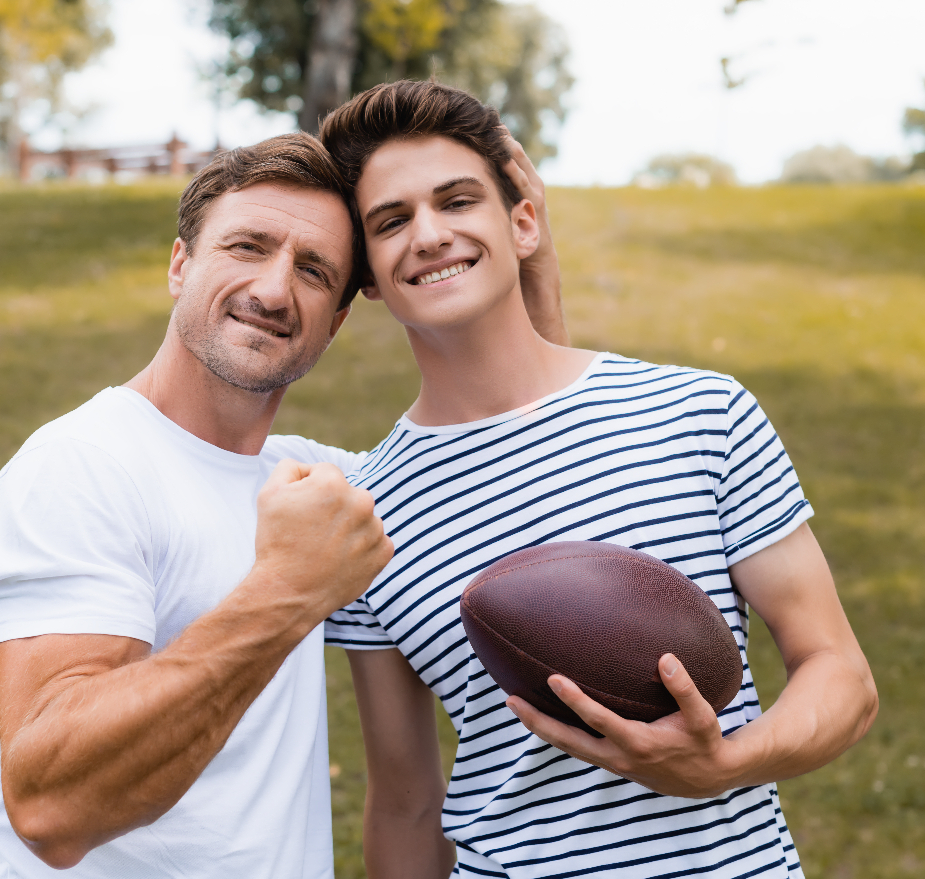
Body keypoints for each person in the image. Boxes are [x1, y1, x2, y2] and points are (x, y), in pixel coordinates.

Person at [0, 132, 564, 877]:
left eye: (312, 270)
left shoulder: (314, 486)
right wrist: (285, 593)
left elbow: (517, 471)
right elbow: (52, 805)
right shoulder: (81, 468)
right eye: (247, 246)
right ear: (181, 264)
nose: (273, 291)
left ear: (335, 322)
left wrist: (535, 272)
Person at [320, 80, 880, 879]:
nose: (431, 235)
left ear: (522, 222)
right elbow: (405, 802)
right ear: (369, 273)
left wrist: (724, 763)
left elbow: (842, 675)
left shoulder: (701, 413)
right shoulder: (361, 515)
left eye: (457, 201)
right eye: (392, 220)